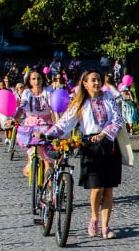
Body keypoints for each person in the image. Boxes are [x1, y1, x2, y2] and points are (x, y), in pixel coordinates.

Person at [45, 70, 125, 239]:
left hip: (109, 143)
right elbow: (65, 123)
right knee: (97, 187)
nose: (97, 83)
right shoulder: (80, 103)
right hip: (90, 146)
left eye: (98, 80)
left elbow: (118, 120)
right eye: (93, 80)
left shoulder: (108, 97)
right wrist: (49, 134)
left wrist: (103, 134)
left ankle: (105, 226)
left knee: (109, 187)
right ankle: (94, 218)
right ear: (85, 84)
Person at [12, 70, 55, 176]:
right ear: (29, 81)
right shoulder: (27, 93)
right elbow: (22, 107)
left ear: (43, 79)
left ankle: (50, 187)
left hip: (45, 123)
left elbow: (53, 106)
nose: (37, 81)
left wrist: (58, 121)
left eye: (39, 78)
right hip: (30, 124)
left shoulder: (48, 91)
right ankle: (31, 163)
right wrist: (14, 119)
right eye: (33, 79)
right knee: (32, 148)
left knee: (47, 157)